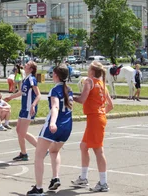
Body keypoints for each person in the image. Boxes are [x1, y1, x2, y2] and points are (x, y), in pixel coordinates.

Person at [26, 64, 73, 195]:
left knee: (39, 156)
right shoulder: (69, 89)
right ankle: (55, 178)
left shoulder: (55, 90)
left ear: (56, 75)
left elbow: (55, 107)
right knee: (54, 151)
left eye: (53, 73)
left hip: (55, 125)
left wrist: (52, 122)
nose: (52, 75)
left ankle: (39, 188)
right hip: (68, 126)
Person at [72, 61, 114, 192]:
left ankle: (103, 183)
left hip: (95, 118)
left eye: (89, 68)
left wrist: (69, 96)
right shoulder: (102, 85)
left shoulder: (89, 82)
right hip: (97, 118)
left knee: (98, 150)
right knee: (83, 146)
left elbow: (82, 99)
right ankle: (84, 178)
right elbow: (110, 105)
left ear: (91, 71)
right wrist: (101, 114)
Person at [4, 61, 41, 161]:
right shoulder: (26, 79)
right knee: (19, 131)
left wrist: (33, 105)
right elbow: (21, 92)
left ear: (31, 69)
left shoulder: (32, 79)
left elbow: (38, 94)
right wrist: (10, 97)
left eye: (28, 65)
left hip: (29, 108)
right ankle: (23, 153)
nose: (25, 65)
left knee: (22, 132)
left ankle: (41, 149)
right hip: (24, 108)